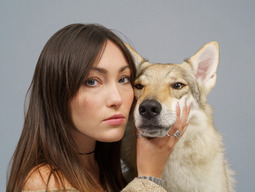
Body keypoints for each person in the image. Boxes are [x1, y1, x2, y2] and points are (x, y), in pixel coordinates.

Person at [6, 23, 190, 192]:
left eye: (124, 79)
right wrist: (149, 177)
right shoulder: (44, 183)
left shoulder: (107, 173)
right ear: (56, 92)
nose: (117, 99)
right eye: (92, 81)